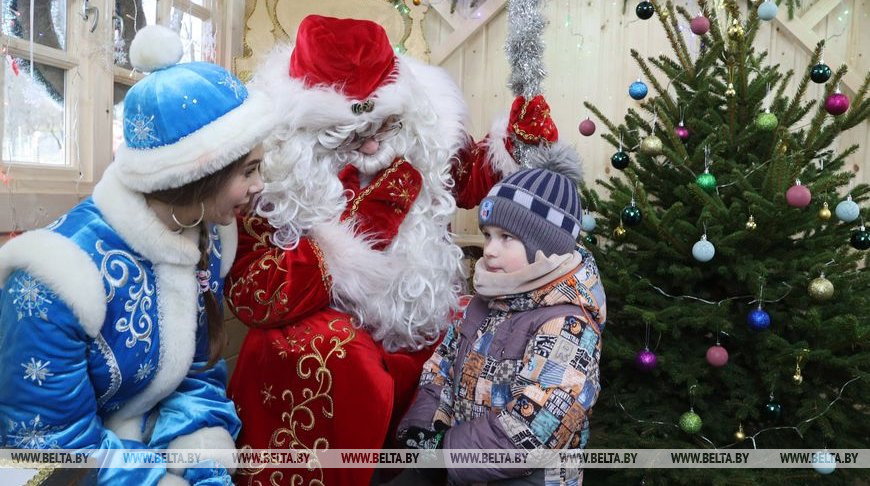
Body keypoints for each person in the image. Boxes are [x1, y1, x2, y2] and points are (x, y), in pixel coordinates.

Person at [225, 14, 575, 486]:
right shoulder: (271, 174)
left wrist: (516, 143)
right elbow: (252, 293)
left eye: (385, 124)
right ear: (304, 128)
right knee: (336, 356)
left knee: (480, 337)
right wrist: (366, 228)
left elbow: (470, 181)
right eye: (346, 134)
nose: (371, 143)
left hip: (416, 317)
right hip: (330, 331)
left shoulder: (421, 132)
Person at [0, 25, 276, 485]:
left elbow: (197, 373)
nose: (259, 185)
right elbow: (53, 451)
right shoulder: (55, 280)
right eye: (249, 170)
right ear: (199, 175)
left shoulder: (203, 239)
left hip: (140, 449)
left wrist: (202, 457)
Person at [396, 166, 607, 486]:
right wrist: (424, 430)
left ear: (546, 247)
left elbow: (535, 429)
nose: (490, 249)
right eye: (488, 235)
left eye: (507, 237)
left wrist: (446, 455)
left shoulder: (567, 325)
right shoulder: (482, 303)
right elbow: (440, 370)